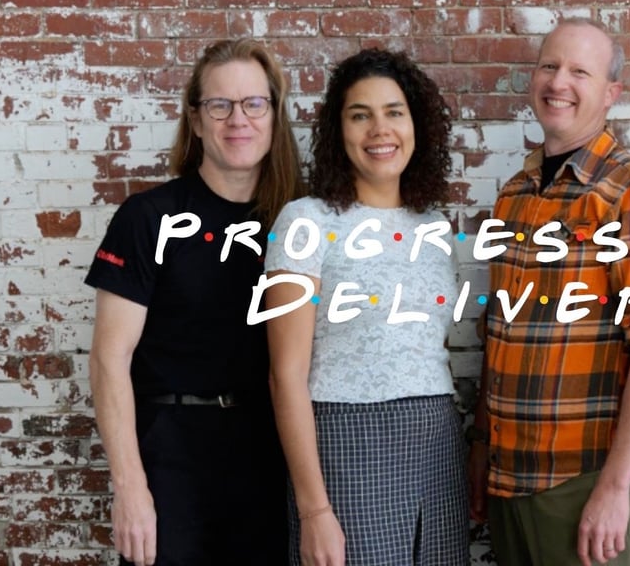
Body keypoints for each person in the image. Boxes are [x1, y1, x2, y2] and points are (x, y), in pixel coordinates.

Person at [468, 18, 630, 566]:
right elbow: (501, 331)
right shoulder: (515, 196)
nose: (558, 81)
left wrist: (614, 487)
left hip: (584, 485)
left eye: (579, 72)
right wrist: (482, 447)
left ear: (611, 93)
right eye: (550, 65)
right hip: (508, 478)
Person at [86, 38, 303, 565]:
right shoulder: (149, 217)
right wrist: (130, 488)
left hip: (268, 453)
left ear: (274, 116)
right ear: (197, 120)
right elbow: (108, 359)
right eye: (219, 105)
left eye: (254, 103)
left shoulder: (299, 221)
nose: (238, 119)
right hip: (170, 453)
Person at [264, 47, 469, 566]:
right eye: (361, 115)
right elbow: (285, 376)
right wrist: (314, 510)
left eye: (394, 112)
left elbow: (429, 351)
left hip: (437, 443)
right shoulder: (306, 222)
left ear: (416, 125)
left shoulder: (434, 227)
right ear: (339, 131)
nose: (380, 129)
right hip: (346, 443)